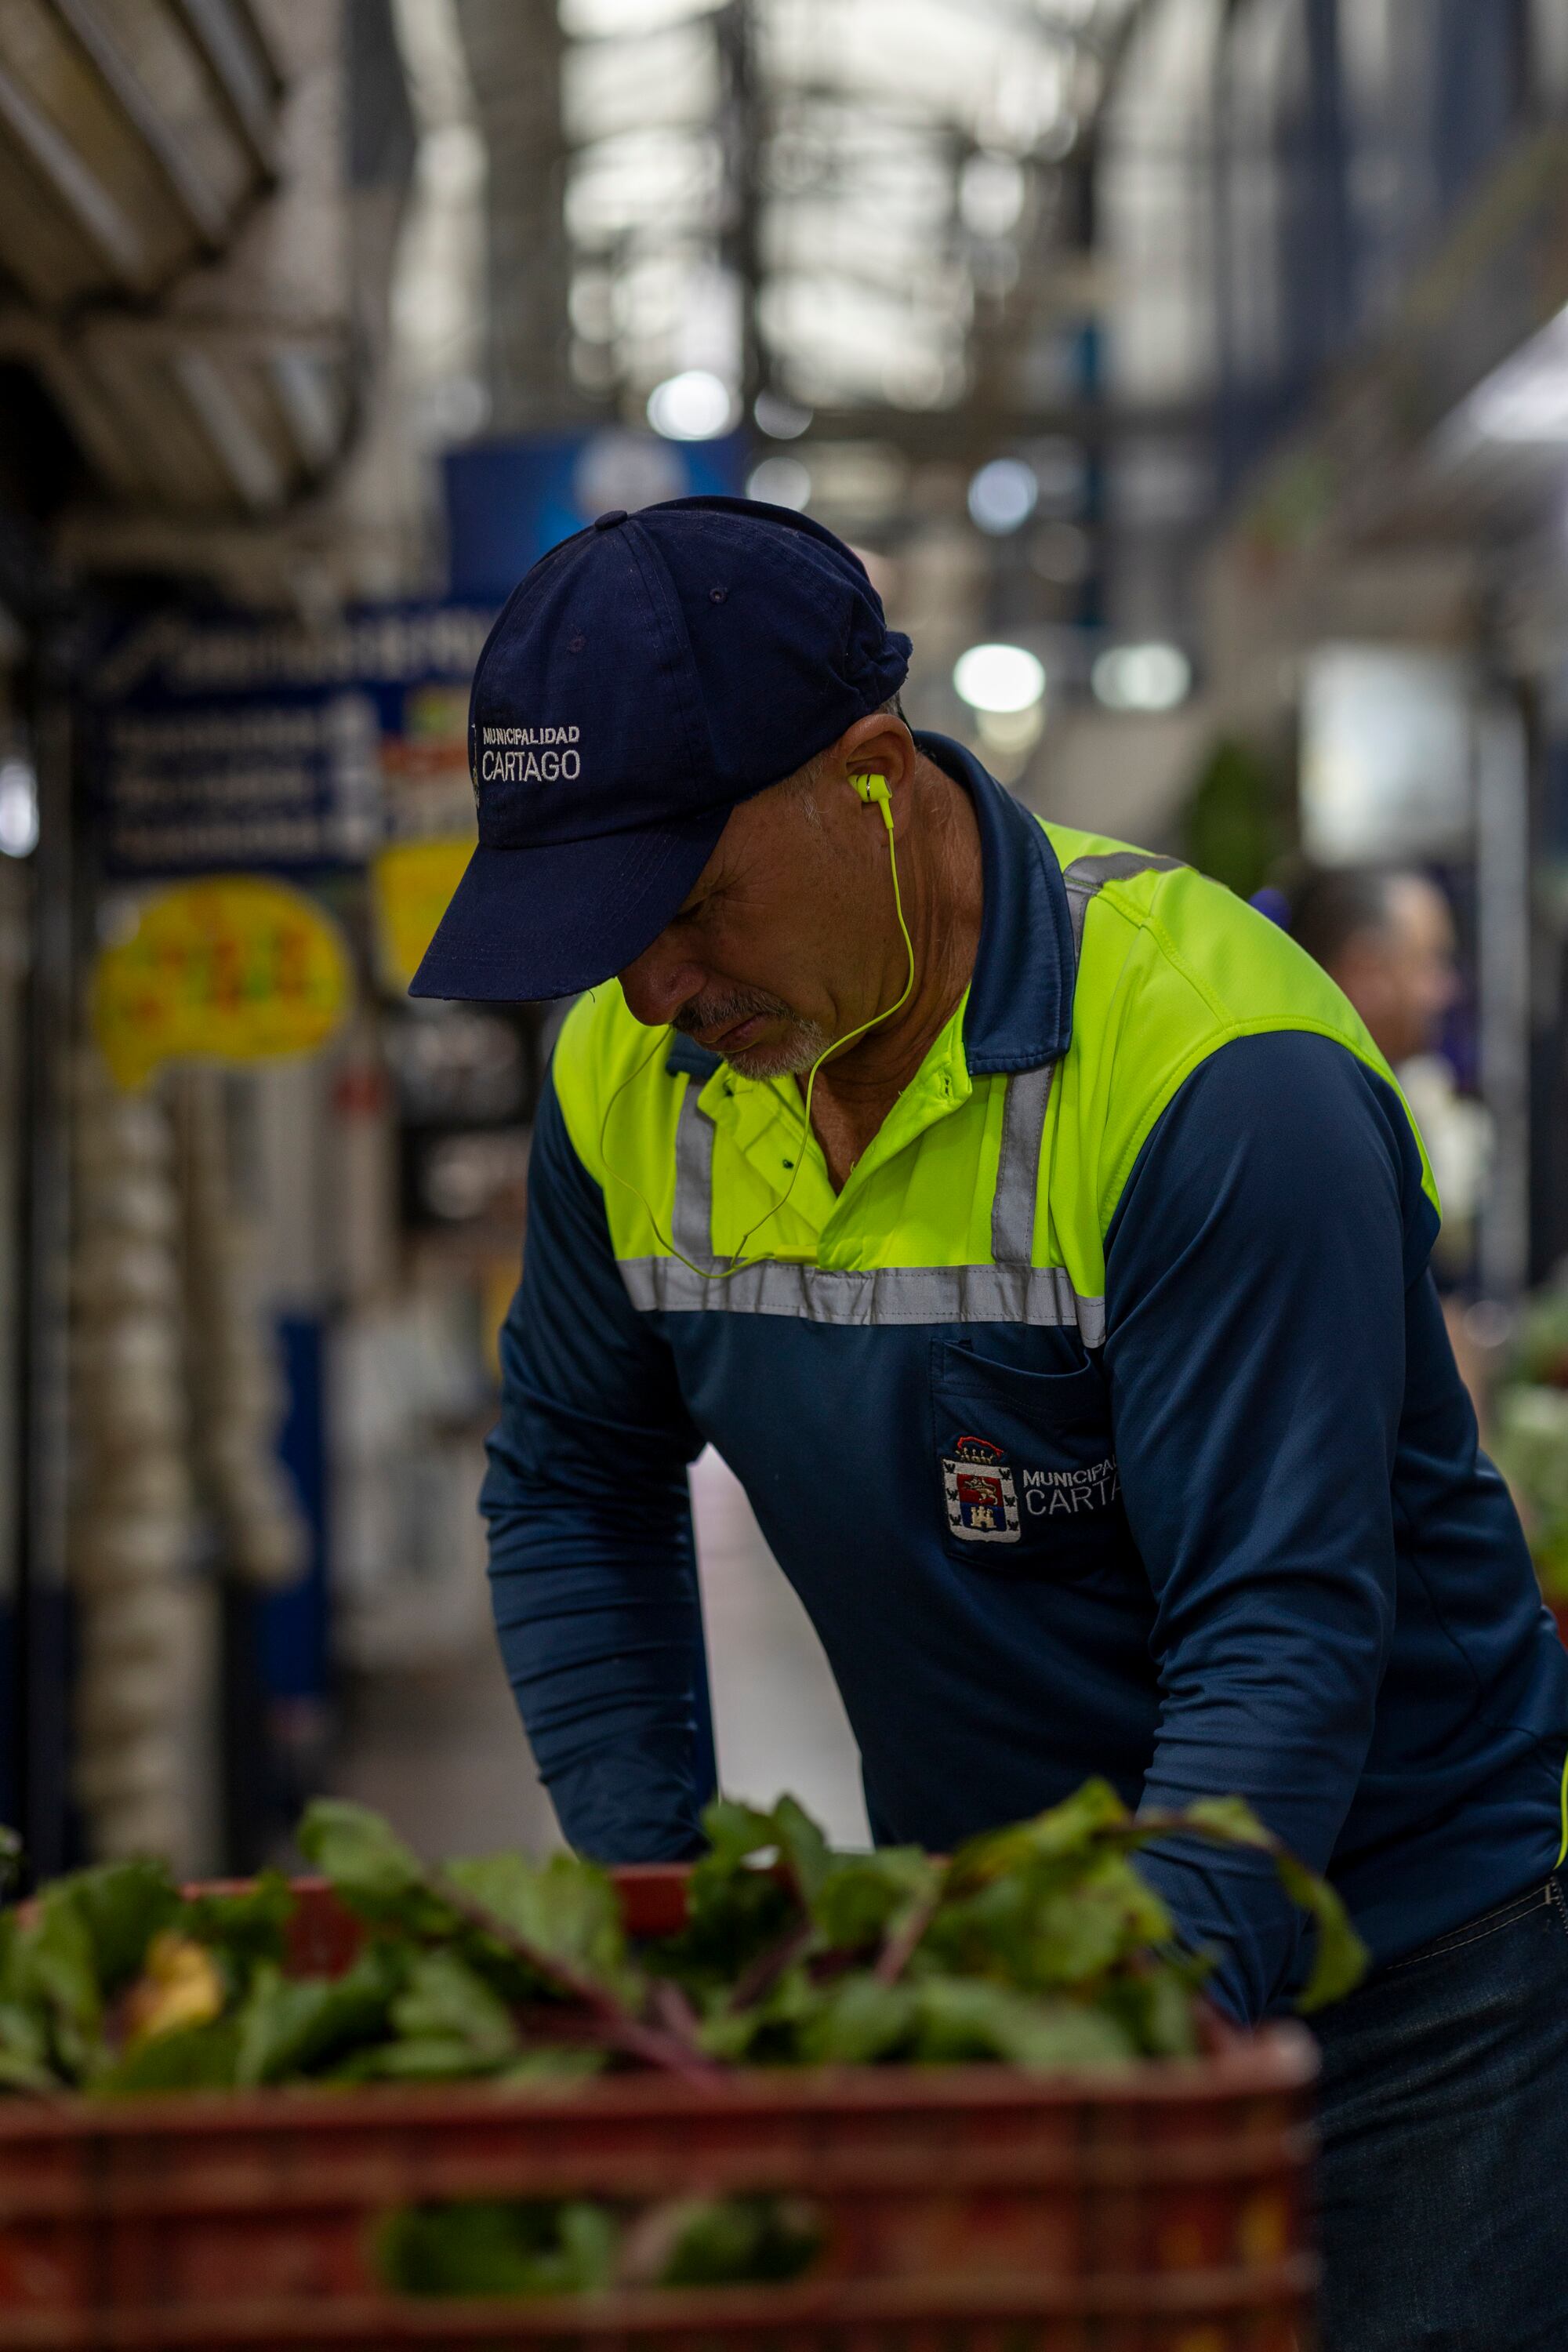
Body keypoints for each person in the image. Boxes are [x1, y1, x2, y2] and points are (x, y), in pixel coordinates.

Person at [414, 497, 1568, 2352]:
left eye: (689, 903)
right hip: (1016, 1957)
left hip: (1407, 1982)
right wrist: (663, 1917)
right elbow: (572, 1482)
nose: (651, 991)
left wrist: (1094, 2050)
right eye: (605, 928)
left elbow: (1275, 1628)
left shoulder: (1214, 1077)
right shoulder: (630, 1071)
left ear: (870, 784)